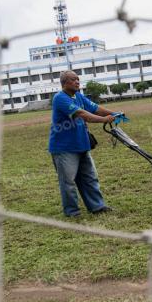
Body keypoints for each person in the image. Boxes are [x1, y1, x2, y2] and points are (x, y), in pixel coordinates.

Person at [49, 70, 117, 217]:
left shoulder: (79, 96)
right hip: (64, 147)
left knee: (90, 177)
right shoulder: (60, 98)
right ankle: (72, 212)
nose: (77, 82)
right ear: (64, 83)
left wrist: (115, 113)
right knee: (68, 181)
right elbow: (82, 114)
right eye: (73, 79)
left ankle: (97, 207)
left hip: (81, 144)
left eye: (78, 79)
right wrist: (105, 120)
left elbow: (96, 109)